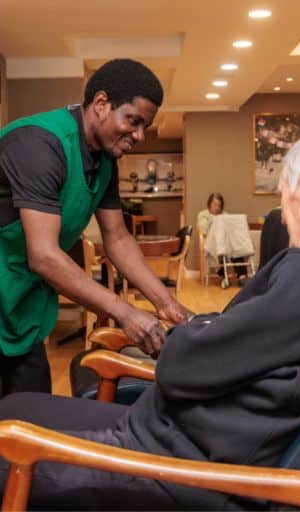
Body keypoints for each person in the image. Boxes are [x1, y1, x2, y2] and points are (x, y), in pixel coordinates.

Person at [2, 127, 300, 510]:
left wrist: (194, 334)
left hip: (171, 467)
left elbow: (181, 366)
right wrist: (203, 330)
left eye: (282, 195)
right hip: (177, 441)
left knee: (8, 434)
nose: (284, 215)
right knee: (15, 406)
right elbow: (235, 343)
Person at [0, 59, 189, 396]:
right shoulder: (38, 144)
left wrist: (166, 304)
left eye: (144, 126)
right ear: (101, 104)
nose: (139, 135)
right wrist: (125, 312)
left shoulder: (105, 159)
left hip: (19, 307)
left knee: (33, 415)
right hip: (10, 284)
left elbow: (116, 236)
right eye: (133, 121)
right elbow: (43, 255)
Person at [197, 193, 248, 287]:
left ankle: (242, 276)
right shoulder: (203, 215)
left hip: (226, 241)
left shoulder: (225, 215)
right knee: (220, 249)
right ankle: (224, 276)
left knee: (235, 246)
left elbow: (231, 229)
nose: (217, 208)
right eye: (215, 204)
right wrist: (215, 221)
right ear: (209, 204)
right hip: (212, 241)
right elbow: (203, 229)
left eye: (219, 205)